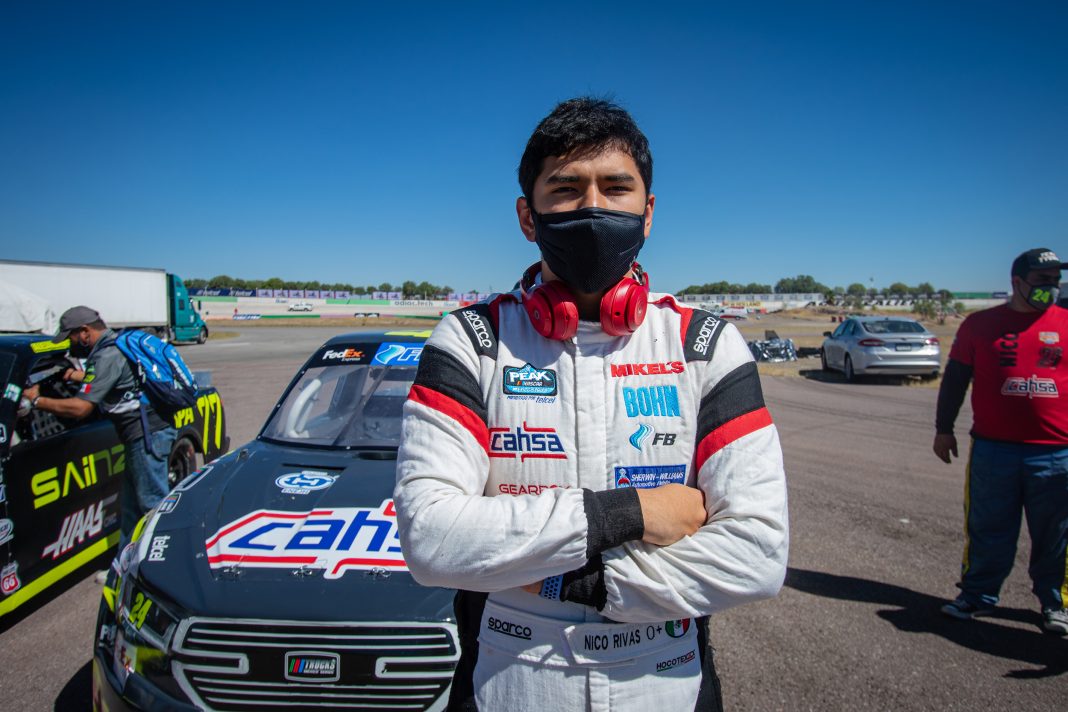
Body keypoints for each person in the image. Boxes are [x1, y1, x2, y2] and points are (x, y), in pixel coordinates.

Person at [394, 98, 788, 711]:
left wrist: (564, 578)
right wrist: (631, 514)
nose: (593, 207)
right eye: (566, 188)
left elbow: (757, 554)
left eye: (616, 187)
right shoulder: (471, 341)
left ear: (648, 213)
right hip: (508, 684)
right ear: (528, 216)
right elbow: (432, 539)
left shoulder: (705, 344)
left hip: (671, 686)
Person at [934, 248, 1068, 635]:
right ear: (1017, 282)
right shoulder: (980, 325)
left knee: (1057, 535)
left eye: (1055, 281)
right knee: (987, 528)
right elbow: (955, 380)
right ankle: (977, 595)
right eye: (1042, 281)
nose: (1051, 288)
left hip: (1057, 452)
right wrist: (944, 428)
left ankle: (1056, 603)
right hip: (994, 450)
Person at [23, 306, 177, 555]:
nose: (71, 343)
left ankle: (167, 561)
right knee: (131, 508)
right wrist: (73, 376)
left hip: (146, 436)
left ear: (84, 332)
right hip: (146, 433)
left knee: (153, 507)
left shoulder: (107, 354)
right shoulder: (117, 345)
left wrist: (36, 400)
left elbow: (81, 408)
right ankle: (125, 564)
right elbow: (110, 377)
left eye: (71, 337)